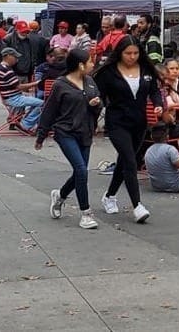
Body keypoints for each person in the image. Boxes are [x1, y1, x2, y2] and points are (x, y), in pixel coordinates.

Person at [93, 36, 161, 224]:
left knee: (125, 161)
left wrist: (158, 104)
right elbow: (97, 92)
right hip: (117, 122)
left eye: (136, 53)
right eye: (128, 53)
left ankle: (109, 195)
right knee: (130, 161)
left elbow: (154, 90)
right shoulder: (108, 72)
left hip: (139, 122)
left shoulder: (146, 70)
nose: (132, 57)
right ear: (119, 53)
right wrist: (95, 103)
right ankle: (137, 205)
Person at [37, 47, 103, 229]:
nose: (92, 64)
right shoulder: (60, 84)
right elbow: (49, 110)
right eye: (90, 61)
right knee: (82, 170)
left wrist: (95, 105)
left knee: (79, 173)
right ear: (80, 65)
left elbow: (98, 103)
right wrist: (41, 134)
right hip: (65, 132)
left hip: (85, 132)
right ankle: (86, 213)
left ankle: (60, 196)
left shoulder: (90, 81)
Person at [0, 47, 43, 130]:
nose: (17, 59)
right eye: (15, 57)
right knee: (44, 104)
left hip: (11, 96)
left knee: (35, 101)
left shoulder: (0, 68)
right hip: (14, 98)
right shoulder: (6, 70)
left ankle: (22, 120)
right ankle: (26, 124)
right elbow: (19, 86)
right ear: (8, 56)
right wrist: (36, 83)